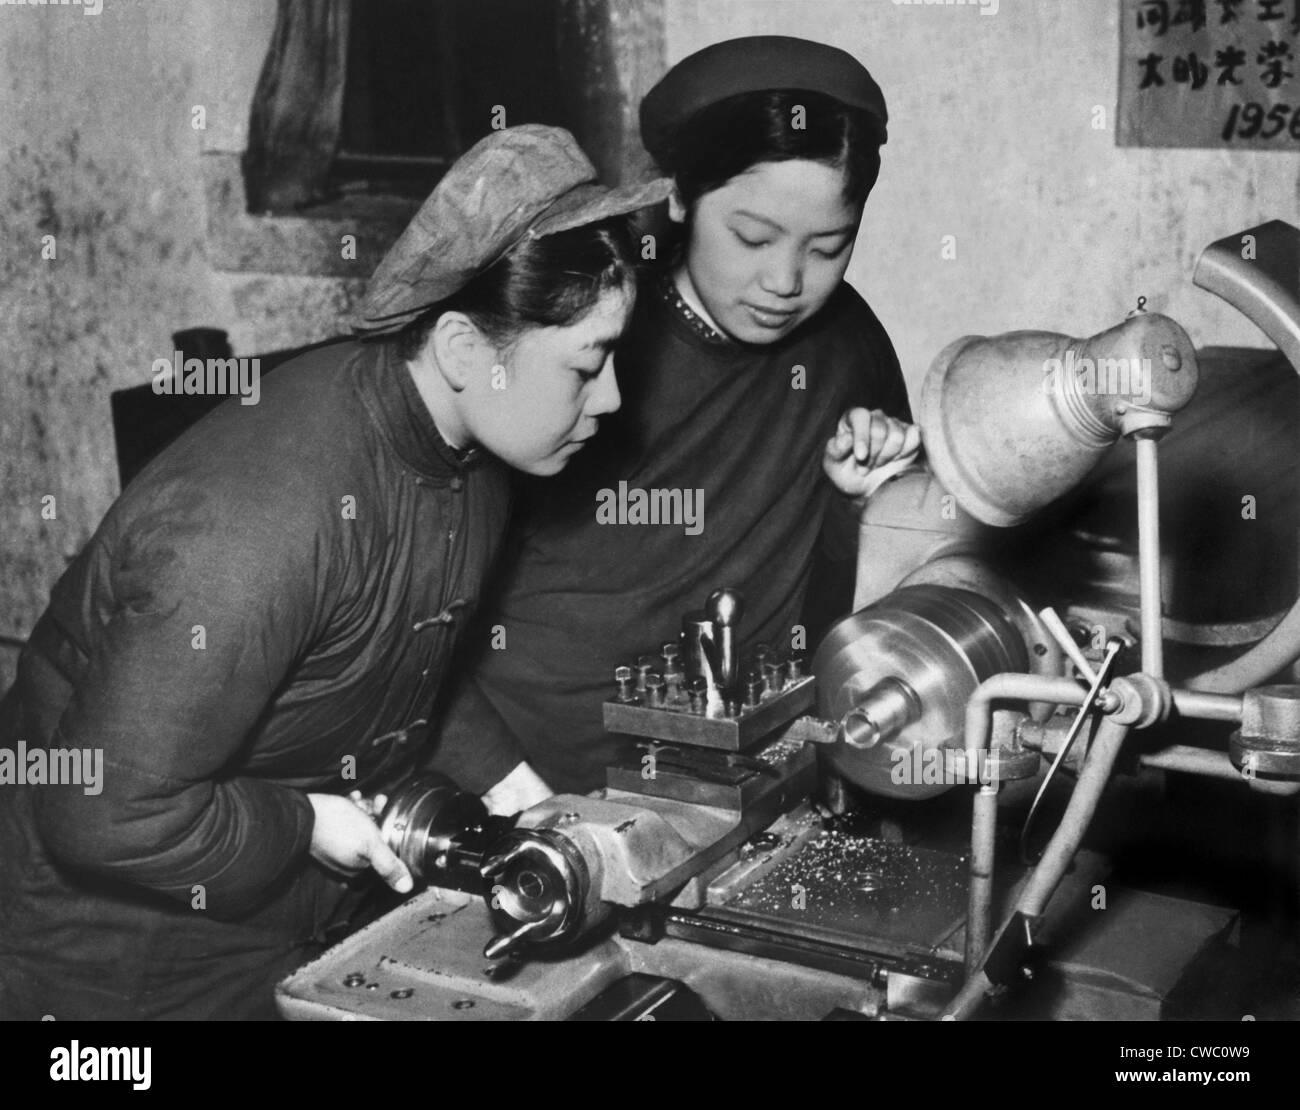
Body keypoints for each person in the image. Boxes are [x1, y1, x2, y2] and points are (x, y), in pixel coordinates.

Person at [0, 125, 667, 1020]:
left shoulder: (469, 451)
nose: (614, 397)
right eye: (588, 363)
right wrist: (309, 825)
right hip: (112, 957)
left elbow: (406, 653)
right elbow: (101, 811)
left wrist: (526, 797)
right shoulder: (259, 523)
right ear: (468, 351)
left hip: (281, 919)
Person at [429, 37, 921, 799]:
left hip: (726, 780)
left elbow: (841, 619)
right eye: (751, 237)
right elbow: (418, 615)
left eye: (830, 246)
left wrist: (858, 508)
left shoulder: (848, 350)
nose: (786, 282)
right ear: (680, 196)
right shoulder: (580, 330)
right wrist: (508, 791)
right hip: (521, 779)